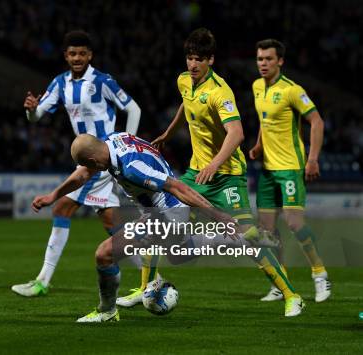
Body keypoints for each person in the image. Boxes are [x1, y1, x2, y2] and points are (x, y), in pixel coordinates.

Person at [150, 28, 304, 316]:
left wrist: (214, 164)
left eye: (199, 59)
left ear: (211, 60)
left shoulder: (220, 92)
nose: (192, 65)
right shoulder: (185, 80)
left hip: (226, 176)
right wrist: (169, 133)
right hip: (196, 176)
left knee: (246, 238)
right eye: (189, 58)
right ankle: (146, 288)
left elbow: (237, 133)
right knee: (158, 224)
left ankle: (291, 295)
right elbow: (186, 104)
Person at [32, 132, 246, 322]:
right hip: (161, 213)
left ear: (93, 160)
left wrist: (219, 216)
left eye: (89, 165)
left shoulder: (131, 168)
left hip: (167, 216)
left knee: (104, 254)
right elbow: (83, 174)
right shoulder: (113, 140)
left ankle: (107, 312)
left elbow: (177, 187)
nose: (90, 170)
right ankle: (245, 239)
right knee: (180, 254)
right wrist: (54, 196)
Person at [11, 30, 146, 299]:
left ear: (90, 55)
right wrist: (30, 108)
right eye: (72, 53)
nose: (77, 58)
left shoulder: (102, 80)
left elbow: (133, 109)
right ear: (65, 56)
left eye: (82, 53)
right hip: (90, 158)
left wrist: (126, 144)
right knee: (112, 222)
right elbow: (37, 116)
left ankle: (42, 281)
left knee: (62, 206)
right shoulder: (60, 83)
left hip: (102, 156)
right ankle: (151, 282)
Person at [249, 39, 330, 303]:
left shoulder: (292, 90)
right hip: (268, 171)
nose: (263, 64)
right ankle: (279, 282)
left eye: (268, 59)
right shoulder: (257, 87)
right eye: (260, 59)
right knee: (267, 231)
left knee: (294, 223)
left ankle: (319, 274)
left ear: (280, 61)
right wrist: (259, 144)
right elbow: (264, 119)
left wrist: (313, 159)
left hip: (290, 169)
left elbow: (316, 121)